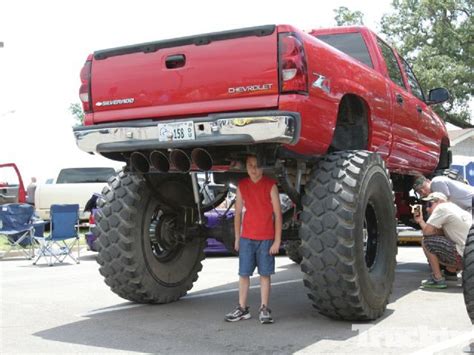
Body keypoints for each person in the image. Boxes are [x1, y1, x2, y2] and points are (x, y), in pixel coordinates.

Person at [224, 155, 282, 324]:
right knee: (243, 274)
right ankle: (242, 308)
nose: (254, 169)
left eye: (257, 165)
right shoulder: (242, 186)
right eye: (250, 165)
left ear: (263, 167)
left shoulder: (270, 185)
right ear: (246, 167)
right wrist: (237, 238)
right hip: (247, 238)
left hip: (266, 239)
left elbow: (277, 215)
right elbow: (237, 214)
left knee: (265, 274)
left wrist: (277, 241)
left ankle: (264, 308)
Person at [413, 192, 472, 289]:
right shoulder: (455, 208)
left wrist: (420, 221)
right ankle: (451, 272)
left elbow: (427, 232)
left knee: (426, 241)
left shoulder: (441, 208)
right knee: (446, 241)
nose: (427, 208)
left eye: (430, 204)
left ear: (440, 201)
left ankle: (438, 279)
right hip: (470, 256)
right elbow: (441, 233)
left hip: (464, 256)